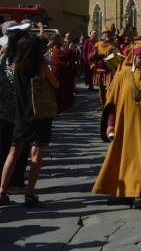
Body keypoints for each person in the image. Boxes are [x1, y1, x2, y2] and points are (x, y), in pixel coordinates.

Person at [92, 42, 141, 209]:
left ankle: (140, 193)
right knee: (122, 159)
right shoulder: (123, 76)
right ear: (134, 58)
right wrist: (110, 125)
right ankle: (124, 192)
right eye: (139, 58)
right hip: (124, 128)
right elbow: (112, 103)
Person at [0, 33, 60, 206]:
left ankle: (2, 191)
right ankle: (29, 193)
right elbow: (56, 84)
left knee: (13, 152)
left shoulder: (16, 66)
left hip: (20, 115)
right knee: (36, 155)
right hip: (39, 114)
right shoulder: (41, 66)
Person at [0, 23, 30, 194]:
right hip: (19, 110)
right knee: (20, 148)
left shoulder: (3, 58)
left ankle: (6, 181)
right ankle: (16, 182)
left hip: (4, 110)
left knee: (4, 147)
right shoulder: (21, 60)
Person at [89, 28, 116, 110]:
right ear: (102, 35)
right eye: (105, 33)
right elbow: (90, 57)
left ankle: (108, 105)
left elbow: (117, 56)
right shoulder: (97, 44)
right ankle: (103, 105)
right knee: (101, 89)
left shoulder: (113, 44)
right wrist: (96, 54)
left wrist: (112, 54)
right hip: (99, 70)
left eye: (108, 34)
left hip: (109, 71)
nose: (107, 35)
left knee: (109, 88)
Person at [49, 34, 76, 113]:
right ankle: (60, 107)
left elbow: (67, 56)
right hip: (59, 74)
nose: (61, 40)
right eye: (59, 39)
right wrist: (70, 50)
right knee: (59, 91)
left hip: (65, 74)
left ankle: (64, 106)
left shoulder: (61, 47)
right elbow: (62, 56)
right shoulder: (54, 48)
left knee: (65, 90)